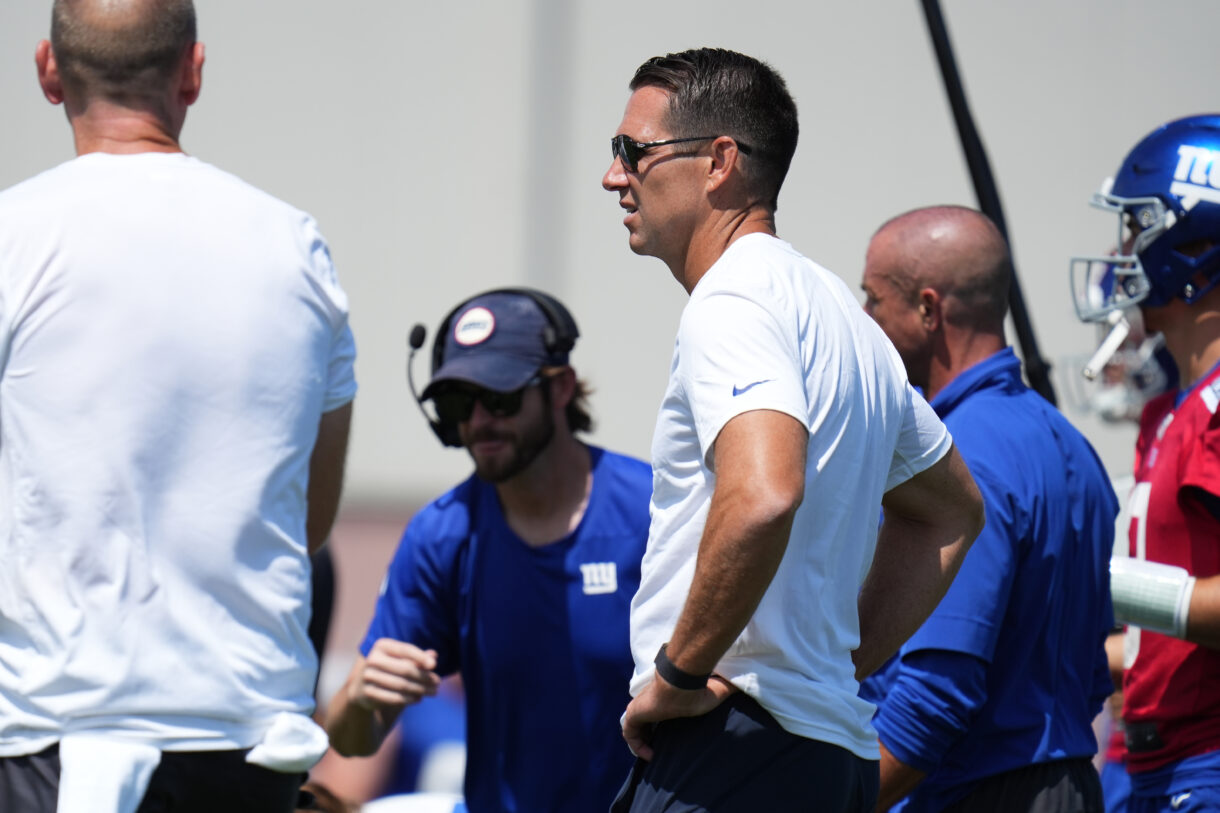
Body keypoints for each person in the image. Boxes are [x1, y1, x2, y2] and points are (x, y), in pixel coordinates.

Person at [600, 47, 985, 812]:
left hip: (734, 747)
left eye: (632, 152)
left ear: (719, 162)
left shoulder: (733, 299)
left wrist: (676, 674)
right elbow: (951, 510)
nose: (615, 176)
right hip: (822, 754)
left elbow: (765, 493)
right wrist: (834, 661)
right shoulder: (845, 315)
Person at [0, 1, 357, 812]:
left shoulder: (12, 236)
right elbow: (311, 515)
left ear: (48, 73)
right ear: (192, 72)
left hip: (58, 729)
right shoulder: (294, 244)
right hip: (248, 733)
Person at [325, 288, 652, 813]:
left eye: (499, 397)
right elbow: (353, 739)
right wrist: (361, 695)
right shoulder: (441, 535)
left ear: (561, 388)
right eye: (457, 403)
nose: (479, 421)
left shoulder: (652, 512)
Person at [858, 205, 1118, 812]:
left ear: (928, 308)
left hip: (976, 793)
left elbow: (935, 699)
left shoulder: (959, 461)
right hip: (1066, 784)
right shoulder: (1071, 447)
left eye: (872, 300)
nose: (864, 322)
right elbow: (1090, 680)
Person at [1070, 114, 1220, 813]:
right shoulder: (1180, 407)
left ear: (1195, 242)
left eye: (1140, 226)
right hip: (1168, 759)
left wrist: (1114, 585)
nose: (1124, 250)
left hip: (1204, 759)